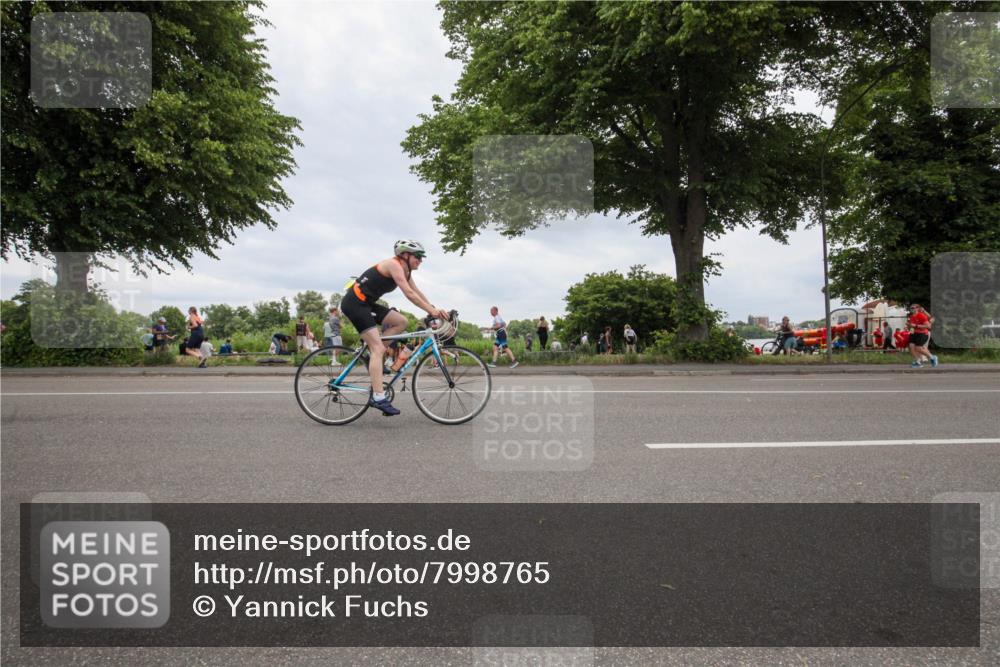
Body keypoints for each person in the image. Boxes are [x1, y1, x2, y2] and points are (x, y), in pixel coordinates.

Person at [340, 240, 449, 416]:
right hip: (355, 304)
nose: (421, 261)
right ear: (405, 255)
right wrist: (431, 311)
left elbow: (418, 292)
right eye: (418, 257)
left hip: (367, 304)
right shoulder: (394, 265)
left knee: (401, 322)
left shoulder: (406, 271)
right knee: (377, 349)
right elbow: (409, 294)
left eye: (422, 258)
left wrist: (435, 309)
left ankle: (375, 352)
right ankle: (378, 397)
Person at [907, 303, 938, 368]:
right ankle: (918, 361)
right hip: (914, 333)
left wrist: (915, 326)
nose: (911, 309)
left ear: (917, 309)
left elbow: (928, 326)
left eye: (913, 308)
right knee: (911, 346)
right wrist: (910, 328)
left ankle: (932, 357)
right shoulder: (911, 316)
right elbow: (912, 326)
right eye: (911, 308)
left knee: (919, 348)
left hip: (922, 333)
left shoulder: (921, 315)